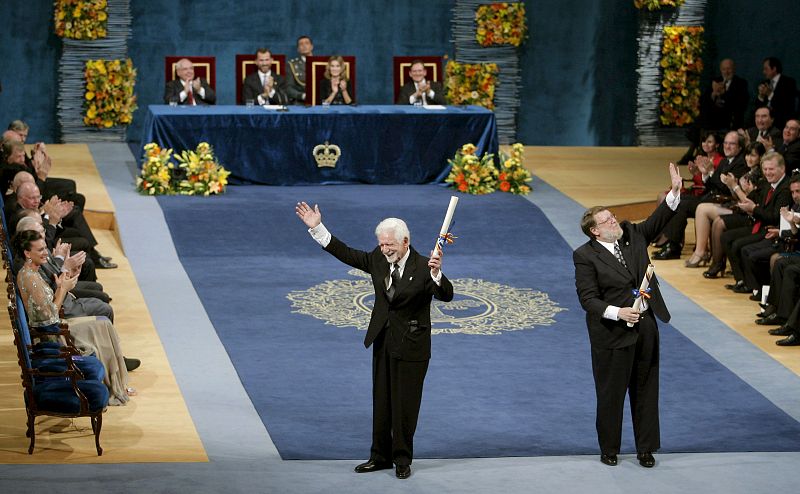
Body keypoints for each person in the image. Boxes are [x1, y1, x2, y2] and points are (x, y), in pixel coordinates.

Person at [295, 201, 453, 479]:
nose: (385, 250)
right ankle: (379, 456)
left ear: (405, 241)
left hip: (412, 346)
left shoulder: (423, 265)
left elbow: (446, 294)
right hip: (383, 341)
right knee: (381, 402)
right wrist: (317, 228)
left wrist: (437, 274)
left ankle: (402, 459)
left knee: (404, 406)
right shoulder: (379, 259)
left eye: (390, 245)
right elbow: (347, 254)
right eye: (381, 245)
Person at [573, 162, 682, 469]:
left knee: (646, 389)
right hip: (612, 334)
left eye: (613, 216)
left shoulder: (633, 234)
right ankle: (609, 448)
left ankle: (646, 448)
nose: (614, 221)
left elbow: (658, 220)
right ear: (595, 231)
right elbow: (588, 299)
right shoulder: (584, 256)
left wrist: (673, 193)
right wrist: (618, 312)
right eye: (608, 221)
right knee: (611, 393)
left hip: (646, 327)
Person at [15, 231, 136, 405]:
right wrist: (63, 289)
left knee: (104, 323)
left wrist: (61, 284)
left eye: (45, 248)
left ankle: (118, 384)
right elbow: (49, 319)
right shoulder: (30, 279)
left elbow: (48, 307)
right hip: (54, 336)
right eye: (40, 249)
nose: (45, 253)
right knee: (102, 326)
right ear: (27, 253)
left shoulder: (31, 272)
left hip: (57, 326)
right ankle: (114, 387)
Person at [752, 57, 797, 130]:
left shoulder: (788, 82)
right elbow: (757, 107)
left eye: (766, 69)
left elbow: (787, 105)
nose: (764, 72)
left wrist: (770, 94)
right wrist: (761, 96)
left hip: (780, 122)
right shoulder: (764, 83)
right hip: (764, 123)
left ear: (774, 69)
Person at [286, 35, 313, 104]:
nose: (304, 46)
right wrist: (303, 96)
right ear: (298, 49)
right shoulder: (291, 65)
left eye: (307, 43)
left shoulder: (320, 63)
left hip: (320, 101)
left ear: (311, 47)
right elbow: (288, 88)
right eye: (301, 44)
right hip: (300, 101)